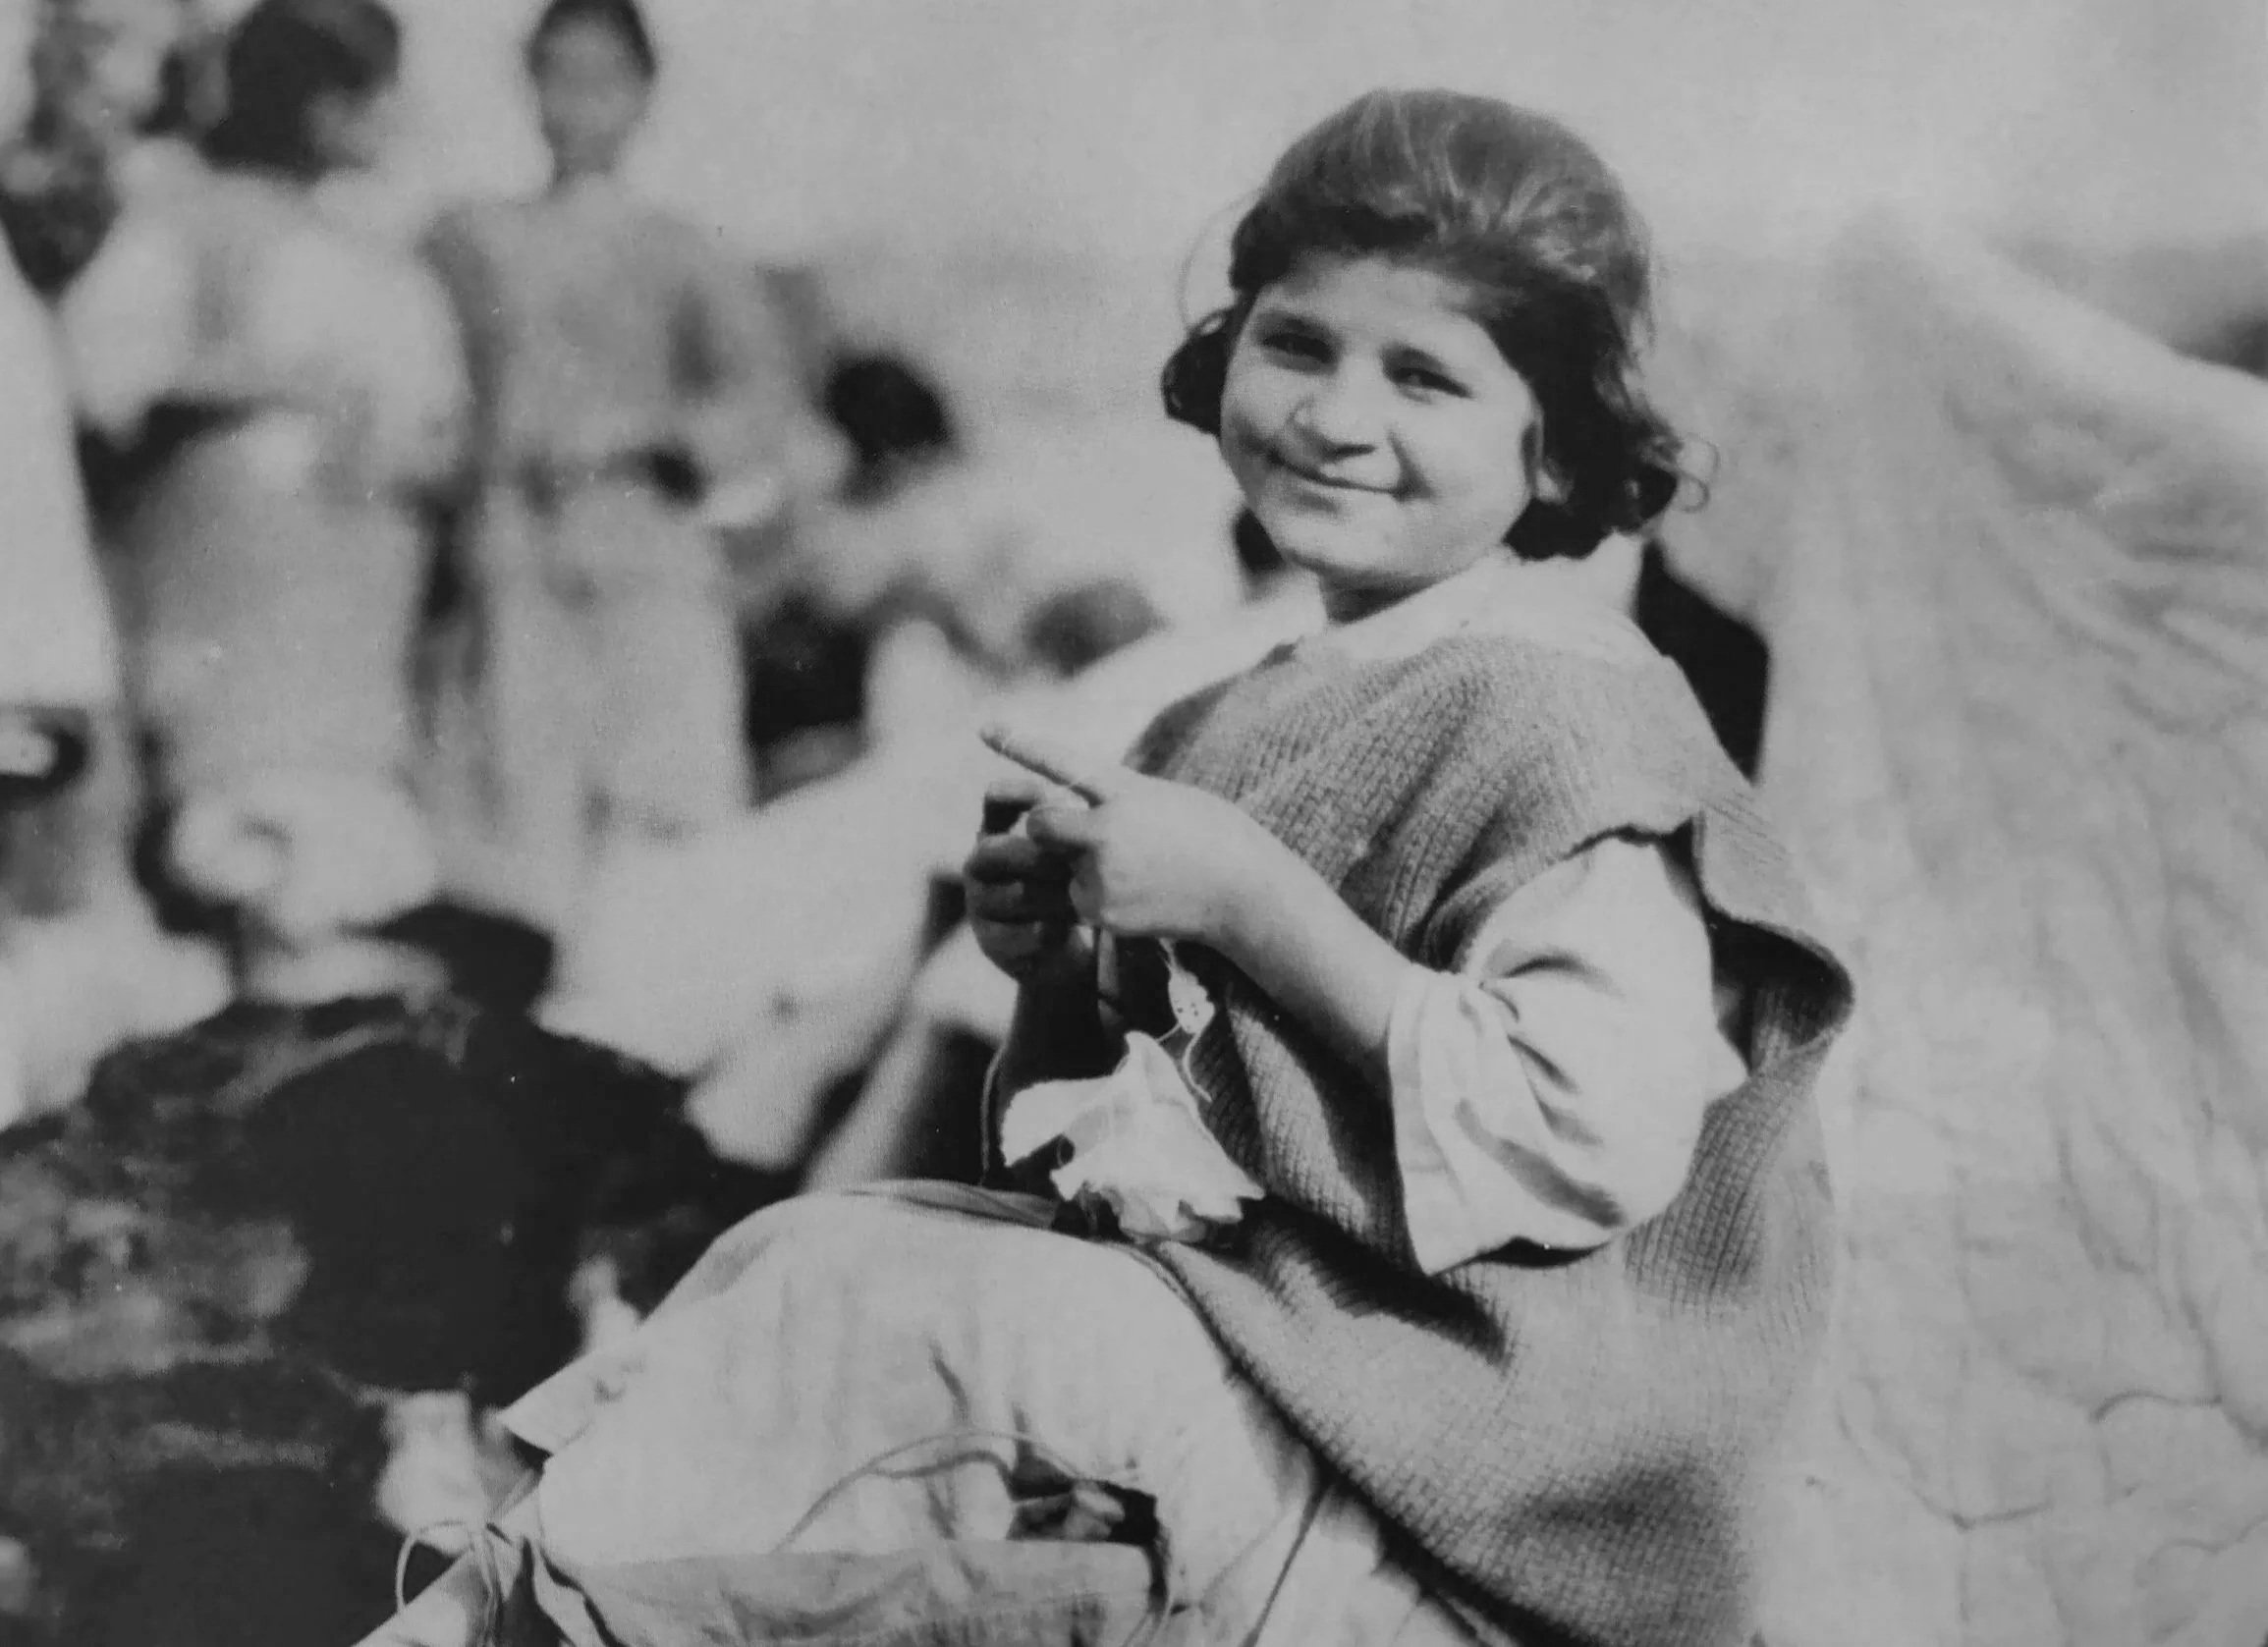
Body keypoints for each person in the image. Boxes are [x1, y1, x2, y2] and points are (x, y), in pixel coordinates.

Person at [364, 89, 1852, 1647]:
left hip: (1480, 1492)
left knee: (876, 1313)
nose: (1339, 415)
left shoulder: (1569, 713)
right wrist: (1057, 990)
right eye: (1296, 345)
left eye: (1423, 376)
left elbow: (1584, 1136)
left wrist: (1247, 906)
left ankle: (501, 1616)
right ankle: (510, 1606)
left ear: (1552, 450)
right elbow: (1128, 1163)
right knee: (807, 1254)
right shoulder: (1236, 704)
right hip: (1281, 1372)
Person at [51, 0, 466, 1006]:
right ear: (315, 103)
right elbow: (107, 389)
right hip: (225, 614)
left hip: (350, 625)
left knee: (344, 874)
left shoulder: (381, 257)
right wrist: (257, 389)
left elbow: (430, 431)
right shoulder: (184, 225)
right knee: (246, 862)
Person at [419, 0, 794, 939]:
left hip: (647, 559)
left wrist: (649, 432)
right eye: (557, 79)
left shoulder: (684, 247)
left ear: (643, 97)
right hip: (513, 558)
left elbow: (759, 401)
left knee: (665, 820)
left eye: (603, 84)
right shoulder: (470, 237)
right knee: (519, 810)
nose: (578, 107)